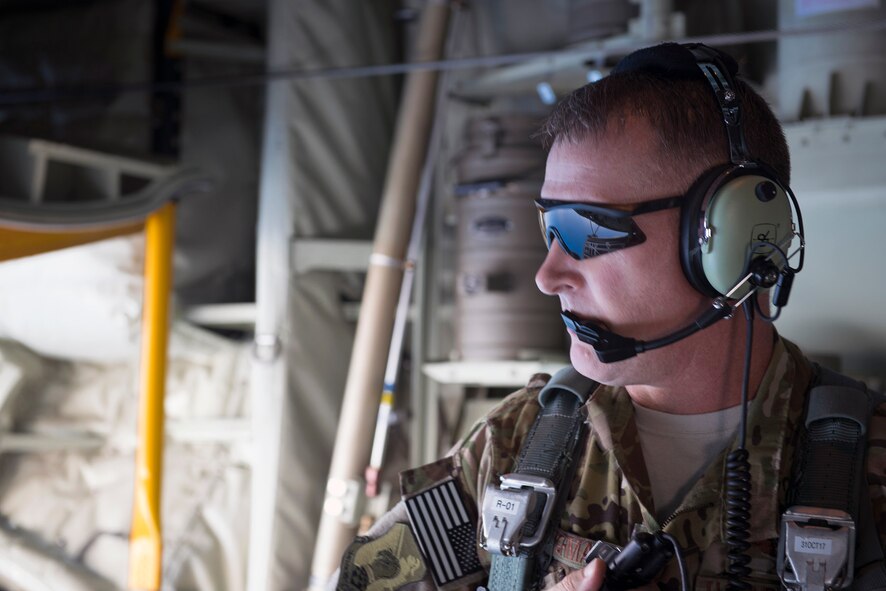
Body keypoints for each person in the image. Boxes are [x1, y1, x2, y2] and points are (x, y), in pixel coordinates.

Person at [336, 42, 886, 591]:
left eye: (587, 231)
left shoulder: (865, 471)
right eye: (549, 228)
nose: (547, 276)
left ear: (736, 241)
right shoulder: (515, 444)